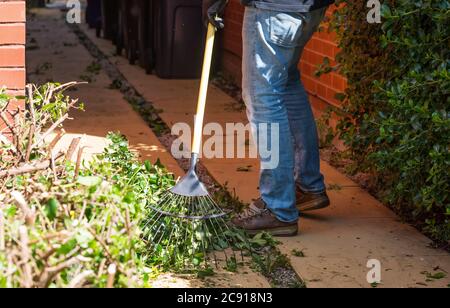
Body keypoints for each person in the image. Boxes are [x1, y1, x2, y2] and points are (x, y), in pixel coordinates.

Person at [203, 0, 335, 236]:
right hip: (309, 8)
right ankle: (307, 185)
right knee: (286, 83)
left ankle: (277, 208)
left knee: (262, 97)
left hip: (273, 9)